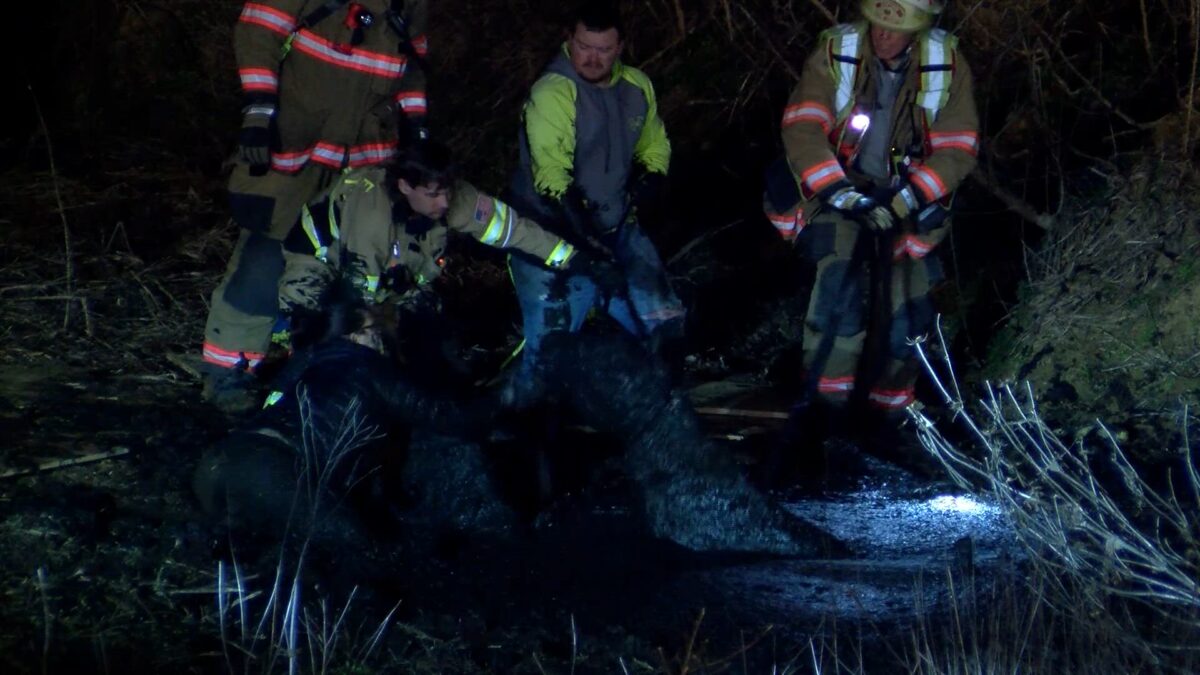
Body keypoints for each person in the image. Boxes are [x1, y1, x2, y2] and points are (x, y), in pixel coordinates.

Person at [200, 0, 431, 413]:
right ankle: (229, 373)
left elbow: (413, 65)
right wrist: (259, 109)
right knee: (263, 259)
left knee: (355, 268)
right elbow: (258, 31)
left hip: (366, 160)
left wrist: (416, 128)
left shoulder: (412, 5)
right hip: (295, 151)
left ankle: (331, 371)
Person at [765, 0, 978, 437]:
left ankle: (891, 414)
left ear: (918, 31)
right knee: (838, 292)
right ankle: (824, 410)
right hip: (839, 192)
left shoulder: (946, 64)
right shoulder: (836, 51)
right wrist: (843, 195)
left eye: (894, 29)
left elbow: (958, 149)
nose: (882, 35)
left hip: (909, 198)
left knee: (911, 311)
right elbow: (803, 127)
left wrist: (908, 199)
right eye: (877, 25)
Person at [276, 142, 615, 389]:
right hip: (322, 265)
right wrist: (374, 330)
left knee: (429, 330)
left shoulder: (454, 200)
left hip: (391, 278)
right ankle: (286, 384)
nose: (445, 203)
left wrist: (574, 259)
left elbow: (514, 230)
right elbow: (358, 288)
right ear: (405, 186)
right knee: (339, 338)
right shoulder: (369, 210)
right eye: (434, 194)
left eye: (448, 192)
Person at [506, 1, 685, 372]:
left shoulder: (636, 85)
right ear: (569, 40)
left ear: (620, 47)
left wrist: (654, 174)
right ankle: (526, 414)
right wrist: (591, 248)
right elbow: (552, 181)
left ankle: (659, 397)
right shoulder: (553, 93)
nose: (592, 58)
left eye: (603, 49)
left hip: (616, 222)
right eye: (584, 47)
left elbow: (654, 141)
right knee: (549, 346)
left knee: (662, 319)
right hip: (550, 231)